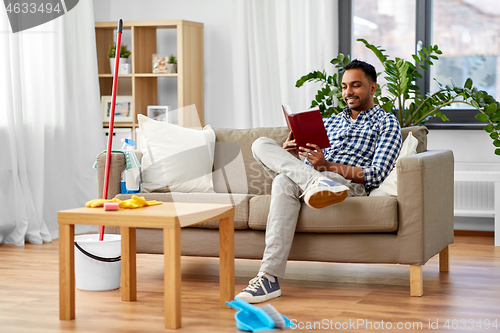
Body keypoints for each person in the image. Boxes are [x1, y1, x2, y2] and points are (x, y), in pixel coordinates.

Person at [235, 59, 403, 304]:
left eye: (355, 85)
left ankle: (268, 277)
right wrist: (291, 155)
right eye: (345, 87)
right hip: (311, 179)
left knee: (283, 182)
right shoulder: (330, 121)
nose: (348, 92)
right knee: (260, 145)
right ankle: (315, 182)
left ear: (373, 88)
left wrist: (328, 167)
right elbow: (307, 160)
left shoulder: (386, 122)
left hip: (342, 182)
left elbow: (377, 173)